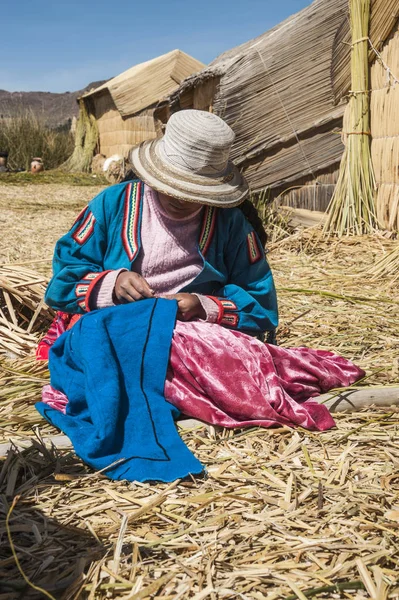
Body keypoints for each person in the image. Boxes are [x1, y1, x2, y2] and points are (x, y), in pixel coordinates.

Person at [36, 110, 364, 482]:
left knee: (213, 356)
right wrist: (109, 283)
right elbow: (61, 285)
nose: (181, 197)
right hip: (110, 324)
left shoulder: (230, 224)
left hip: (187, 332)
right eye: (173, 185)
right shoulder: (113, 206)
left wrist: (205, 306)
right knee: (116, 348)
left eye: (194, 191)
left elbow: (262, 306)